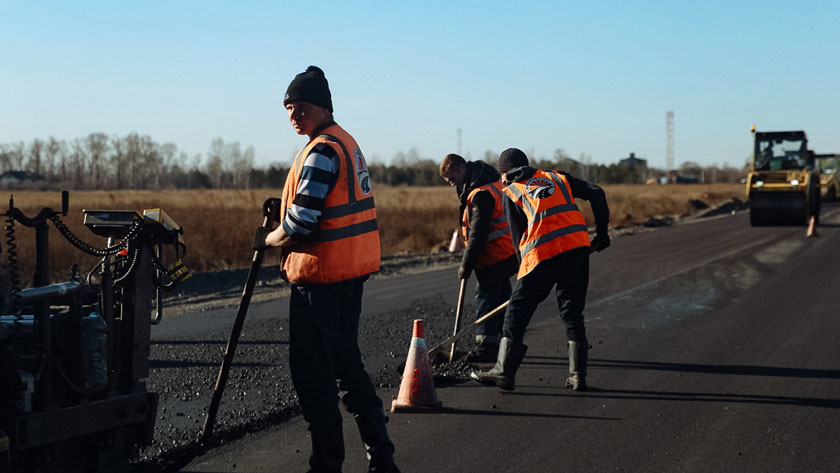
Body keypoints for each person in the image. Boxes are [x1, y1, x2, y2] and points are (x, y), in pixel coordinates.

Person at [252, 65, 400, 473]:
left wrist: (266, 240)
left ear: (322, 106)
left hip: (320, 281)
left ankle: (326, 464)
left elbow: (302, 223)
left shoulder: (321, 151)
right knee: (347, 367)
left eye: (300, 107)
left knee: (315, 379)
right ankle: (382, 458)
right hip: (347, 276)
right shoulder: (346, 144)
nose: (293, 115)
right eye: (287, 108)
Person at [471, 148, 610, 392]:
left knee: (517, 312)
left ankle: (504, 371)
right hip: (577, 249)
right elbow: (596, 192)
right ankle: (578, 376)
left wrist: (522, 270)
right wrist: (602, 233)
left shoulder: (511, 191)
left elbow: (518, 241)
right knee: (572, 311)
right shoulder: (558, 177)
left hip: (543, 255)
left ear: (504, 173)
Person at [439, 153, 517, 361]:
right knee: (501, 298)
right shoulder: (488, 184)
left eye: (451, 178)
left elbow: (478, 233)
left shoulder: (481, 193)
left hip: (494, 255)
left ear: (461, 168)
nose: (451, 183)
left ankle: (486, 347)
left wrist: (467, 264)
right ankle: (503, 343)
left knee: (486, 298)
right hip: (506, 253)